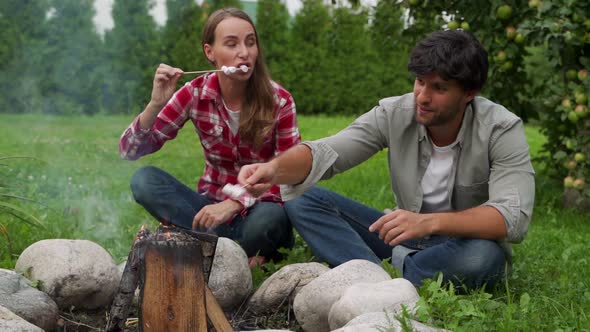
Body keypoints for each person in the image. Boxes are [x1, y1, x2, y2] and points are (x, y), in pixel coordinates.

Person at [237, 30, 535, 290]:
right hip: (400, 234)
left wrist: (427, 223)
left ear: (469, 92)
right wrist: (274, 169)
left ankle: (374, 276)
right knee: (302, 197)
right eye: (420, 81)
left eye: (439, 88)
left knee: (485, 258)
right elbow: (330, 151)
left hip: (461, 242)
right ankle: (381, 278)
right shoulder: (395, 113)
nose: (422, 96)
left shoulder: (501, 128)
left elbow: (512, 217)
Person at [119, 8, 301, 266]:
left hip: (262, 207)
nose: (244, 52)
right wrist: (155, 104)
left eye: (250, 42)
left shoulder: (279, 100)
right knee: (145, 180)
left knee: (268, 220)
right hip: (209, 206)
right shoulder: (194, 93)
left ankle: (213, 248)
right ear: (209, 52)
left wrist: (235, 204)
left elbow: (291, 175)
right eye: (231, 44)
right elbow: (129, 151)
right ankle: (235, 251)